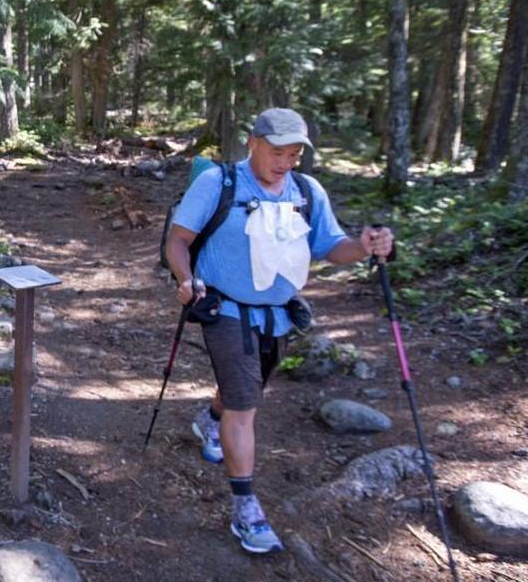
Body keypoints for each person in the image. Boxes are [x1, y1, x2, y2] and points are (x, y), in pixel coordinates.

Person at [164, 107, 395, 554]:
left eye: (294, 154)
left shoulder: (307, 191)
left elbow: (331, 247)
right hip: (224, 309)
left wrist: (365, 247)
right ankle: (246, 509)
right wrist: (186, 279)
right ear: (252, 142)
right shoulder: (219, 183)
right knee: (245, 405)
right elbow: (179, 240)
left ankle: (209, 420)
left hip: (280, 313)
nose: (285, 162)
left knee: (245, 390)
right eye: (277, 151)